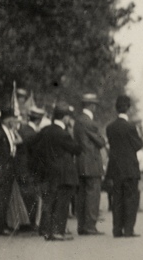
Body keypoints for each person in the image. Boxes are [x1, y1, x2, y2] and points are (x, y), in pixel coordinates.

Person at [37, 103, 82, 241]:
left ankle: (46, 230)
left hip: (48, 171)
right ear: (65, 118)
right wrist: (71, 131)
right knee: (62, 203)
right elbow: (77, 149)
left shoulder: (45, 131)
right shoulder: (64, 134)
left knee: (49, 201)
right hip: (63, 173)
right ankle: (57, 232)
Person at [105, 95, 143, 238]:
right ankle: (128, 230)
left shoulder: (110, 127)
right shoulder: (131, 127)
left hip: (115, 168)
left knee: (117, 200)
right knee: (130, 200)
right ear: (128, 108)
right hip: (130, 168)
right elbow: (138, 145)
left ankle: (117, 229)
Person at [74, 93, 107, 235]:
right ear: (92, 106)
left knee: (82, 196)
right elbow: (101, 141)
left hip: (81, 162)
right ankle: (90, 226)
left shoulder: (78, 120)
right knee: (93, 196)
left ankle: (82, 226)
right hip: (92, 163)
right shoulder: (90, 122)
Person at [15, 105, 45, 230]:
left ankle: (25, 222)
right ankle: (30, 224)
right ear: (39, 120)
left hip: (20, 168)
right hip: (29, 169)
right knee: (31, 197)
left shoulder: (22, 130)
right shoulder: (33, 134)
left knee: (24, 196)